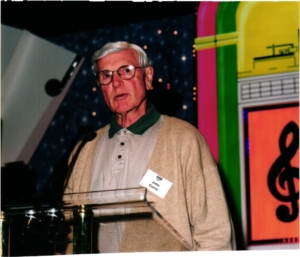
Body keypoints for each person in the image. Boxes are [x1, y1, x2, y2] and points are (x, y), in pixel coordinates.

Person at [64, 41, 236, 253]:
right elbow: (69, 234)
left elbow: (214, 233)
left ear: (148, 77)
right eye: (106, 76)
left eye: (125, 71)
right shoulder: (85, 147)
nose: (116, 83)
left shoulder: (183, 139)